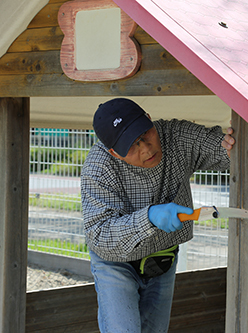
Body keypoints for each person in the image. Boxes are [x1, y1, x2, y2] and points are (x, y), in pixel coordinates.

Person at [80, 98, 234, 332]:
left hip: (163, 258)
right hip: (116, 263)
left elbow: (222, 149)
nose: (146, 149)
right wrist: (149, 217)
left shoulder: (176, 136)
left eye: (145, 134)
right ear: (113, 152)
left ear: (149, 119)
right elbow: (101, 235)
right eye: (131, 146)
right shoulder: (98, 166)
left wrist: (233, 145)